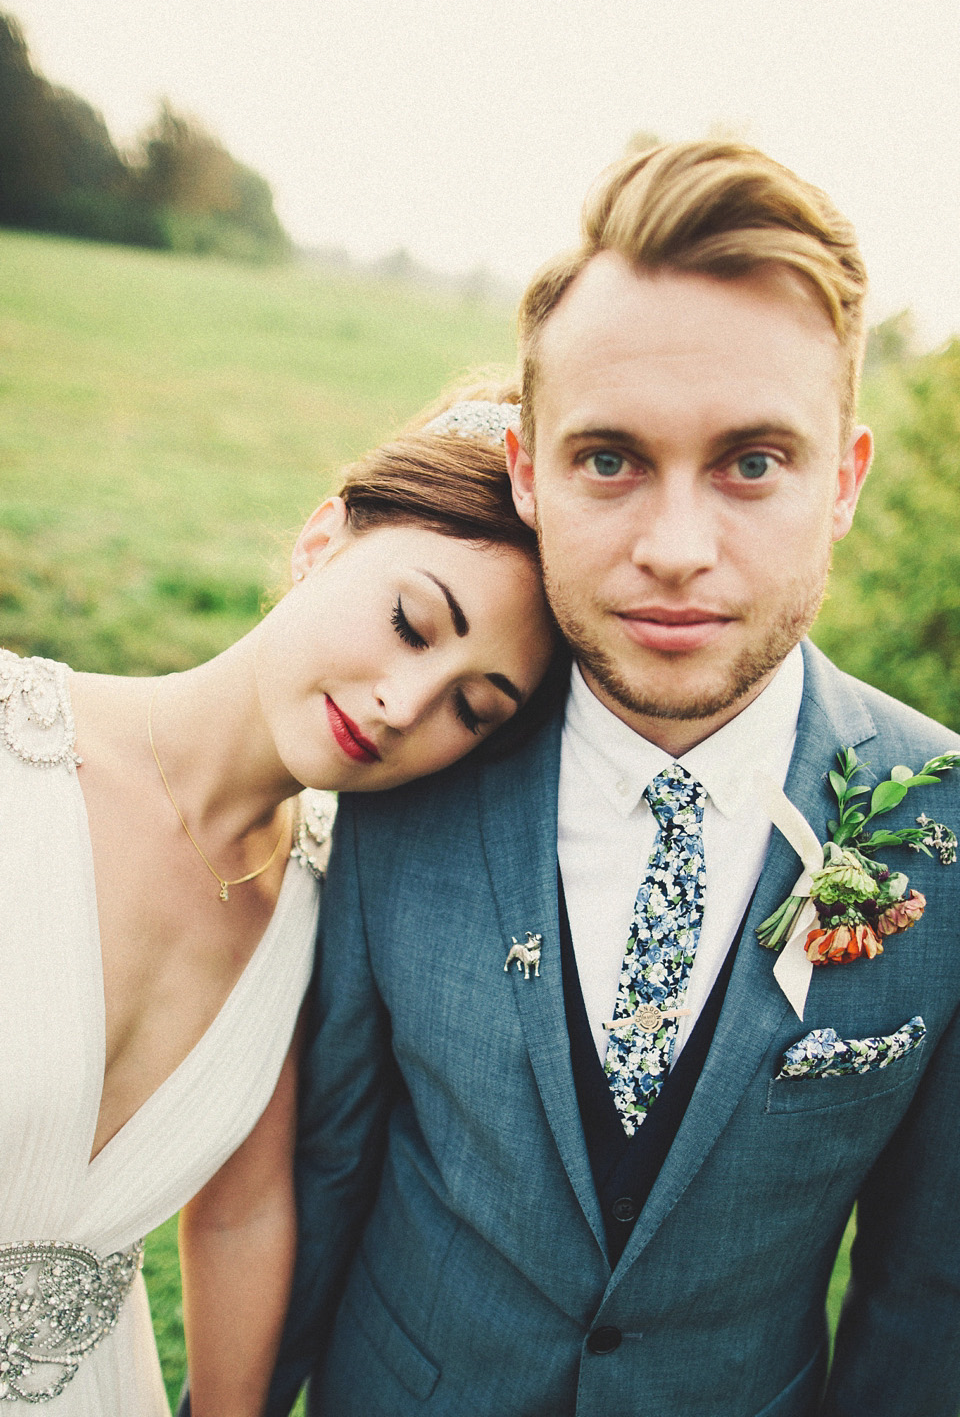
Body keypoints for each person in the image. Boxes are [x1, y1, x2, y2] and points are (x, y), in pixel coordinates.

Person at [268, 142, 960, 1417]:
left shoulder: (944, 829)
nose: (677, 552)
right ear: (529, 472)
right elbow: (325, 1174)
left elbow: (929, 1301)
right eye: (610, 460)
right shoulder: (408, 770)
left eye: (754, 463)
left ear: (845, 482)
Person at [0, 392, 559, 1416]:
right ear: (321, 539)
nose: (405, 703)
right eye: (410, 623)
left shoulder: (322, 909)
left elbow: (242, 1211)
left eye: (473, 709)